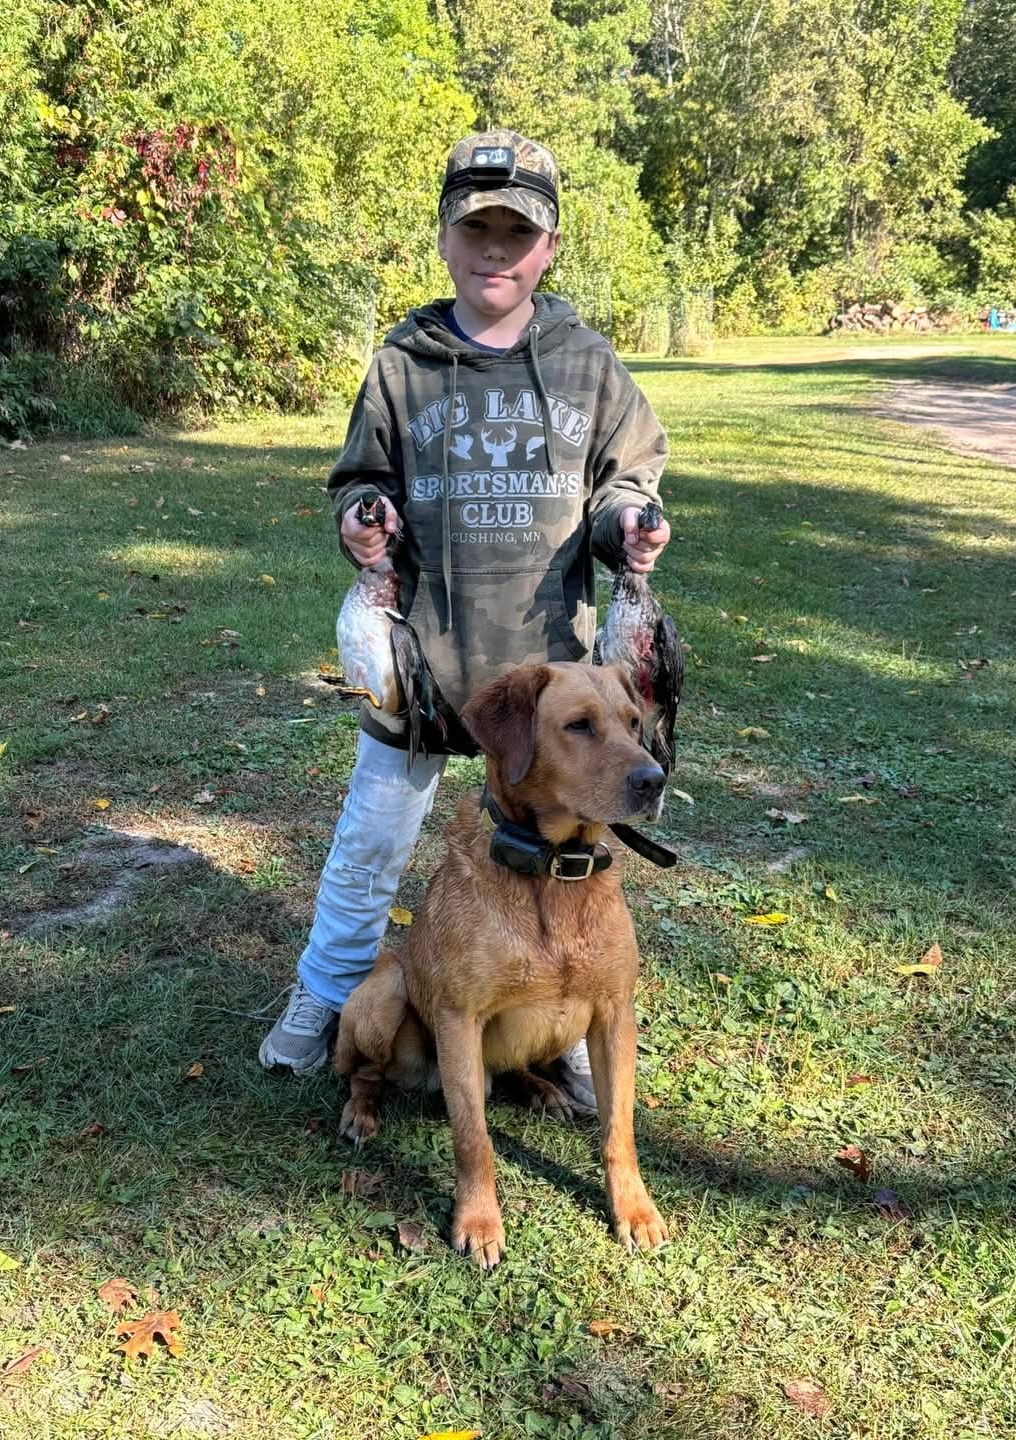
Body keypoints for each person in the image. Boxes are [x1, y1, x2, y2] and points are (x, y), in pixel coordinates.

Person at [259, 130, 671, 1111]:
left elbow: (625, 479)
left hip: (549, 688)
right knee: (369, 848)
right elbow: (360, 477)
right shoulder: (403, 364)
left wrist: (631, 526)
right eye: (475, 228)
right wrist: (362, 518)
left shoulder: (588, 365)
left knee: (573, 856)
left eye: (516, 232)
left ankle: (565, 1025)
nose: (495, 249)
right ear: (445, 239)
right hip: (422, 664)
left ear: (549, 247)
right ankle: (328, 994)